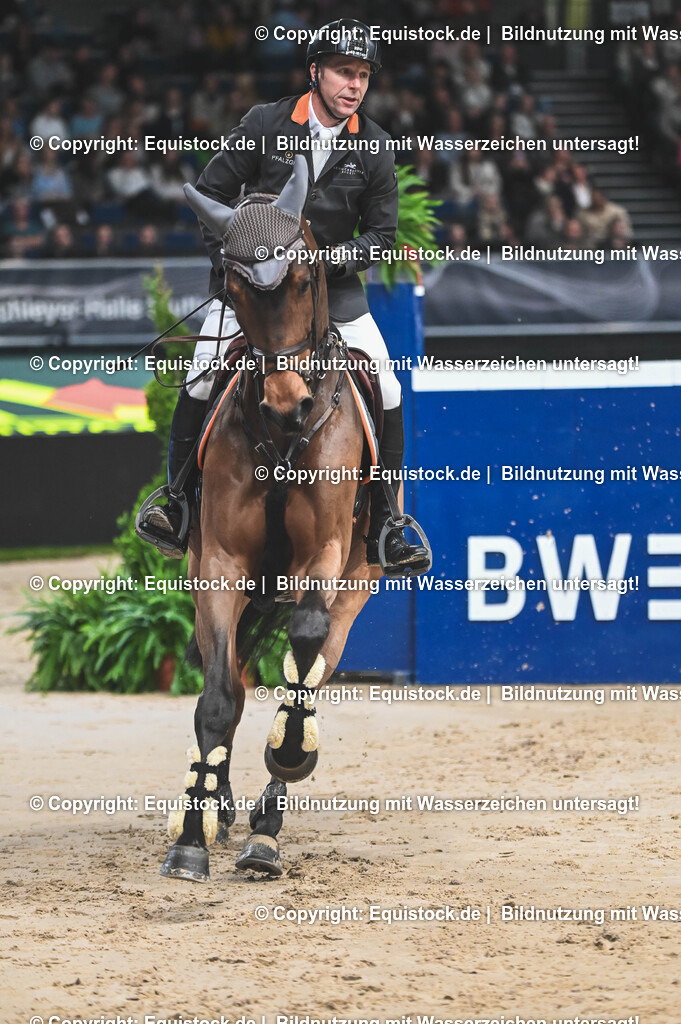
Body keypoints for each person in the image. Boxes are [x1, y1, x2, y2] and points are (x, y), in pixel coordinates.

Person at [139, 18, 429, 574]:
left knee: (388, 384)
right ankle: (175, 501)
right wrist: (238, 269)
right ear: (315, 72)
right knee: (202, 374)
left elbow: (383, 236)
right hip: (250, 294)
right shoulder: (265, 122)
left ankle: (389, 520)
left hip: (331, 297)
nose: (355, 86)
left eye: (364, 75)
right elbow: (211, 197)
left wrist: (325, 261)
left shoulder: (375, 147)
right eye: (345, 72)